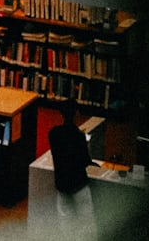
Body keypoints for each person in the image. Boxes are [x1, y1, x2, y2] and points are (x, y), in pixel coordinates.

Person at [48, 99, 98, 239]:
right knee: (86, 220)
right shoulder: (79, 136)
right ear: (76, 114)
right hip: (78, 184)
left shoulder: (54, 134)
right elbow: (84, 161)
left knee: (66, 221)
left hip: (62, 183)